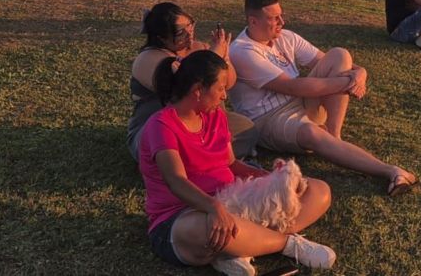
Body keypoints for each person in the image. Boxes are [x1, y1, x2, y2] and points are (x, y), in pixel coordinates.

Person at [139, 49, 336, 275]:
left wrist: (268, 178)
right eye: (221, 89)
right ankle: (287, 244)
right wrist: (214, 207)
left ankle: (241, 247)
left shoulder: (215, 116)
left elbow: (231, 164)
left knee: (319, 191)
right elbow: (176, 180)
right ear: (197, 90)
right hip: (182, 215)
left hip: (233, 202)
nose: (224, 96)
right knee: (206, 229)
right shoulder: (161, 126)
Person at [229, 0, 419, 196]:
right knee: (311, 133)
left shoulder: (285, 37)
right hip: (268, 117)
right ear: (253, 21)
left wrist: (361, 72)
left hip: (300, 102)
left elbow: (329, 61)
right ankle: (391, 171)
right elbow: (294, 87)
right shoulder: (242, 51)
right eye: (274, 18)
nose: (281, 22)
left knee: (339, 54)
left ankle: (335, 135)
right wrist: (348, 82)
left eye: (281, 15)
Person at [129, 3, 260, 161]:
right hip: (162, 126)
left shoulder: (199, 47)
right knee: (168, 143)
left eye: (190, 25)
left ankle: (202, 157)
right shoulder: (148, 59)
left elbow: (229, 83)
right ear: (161, 37)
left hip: (204, 123)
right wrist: (214, 57)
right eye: (180, 32)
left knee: (247, 129)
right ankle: (201, 159)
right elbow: (184, 89)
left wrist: (224, 58)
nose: (189, 34)